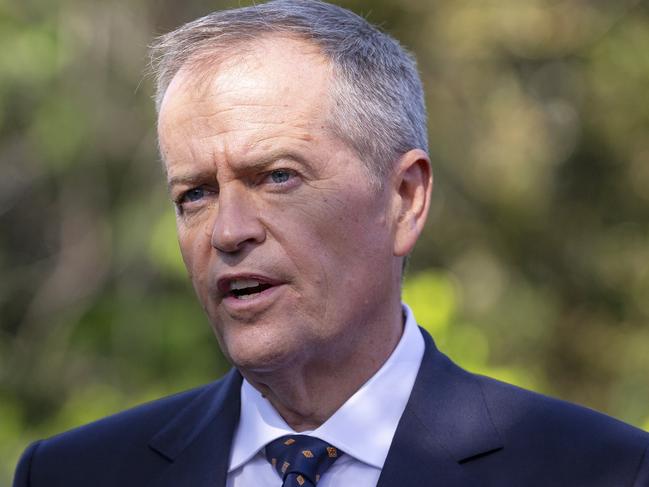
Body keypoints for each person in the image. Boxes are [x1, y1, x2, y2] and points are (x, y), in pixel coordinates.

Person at [13, 1, 649, 486]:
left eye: (278, 177)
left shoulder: (605, 470)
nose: (229, 231)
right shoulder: (73, 473)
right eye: (195, 195)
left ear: (404, 199)